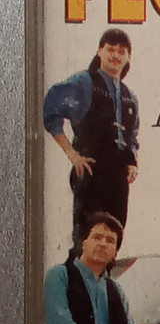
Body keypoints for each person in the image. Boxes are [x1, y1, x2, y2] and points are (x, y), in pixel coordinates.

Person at [43, 28, 139, 245]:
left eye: (121, 51)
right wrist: (72, 154)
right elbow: (51, 110)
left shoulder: (130, 97)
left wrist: (133, 162)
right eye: (110, 49)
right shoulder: (84, 82)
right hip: (91, 172)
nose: (115, 55)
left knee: (113, 238)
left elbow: (132, 136)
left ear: (128, 57)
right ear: (100, 51)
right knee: (87, 240)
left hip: (118, 179)